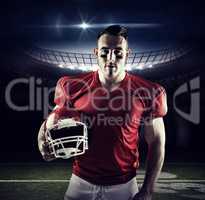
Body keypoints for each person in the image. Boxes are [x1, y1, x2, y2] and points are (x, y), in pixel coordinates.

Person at [38, 25, 167, 200]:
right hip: (80, 182)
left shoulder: (148, 91)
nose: (111, 58)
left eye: (118, 52)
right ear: (96, 52)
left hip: (124, 185)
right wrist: (41, 139)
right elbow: (53, 118)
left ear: (127, 54)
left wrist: (147, 191)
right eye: (105, 51)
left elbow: (157, 142)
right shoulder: (72, 85)